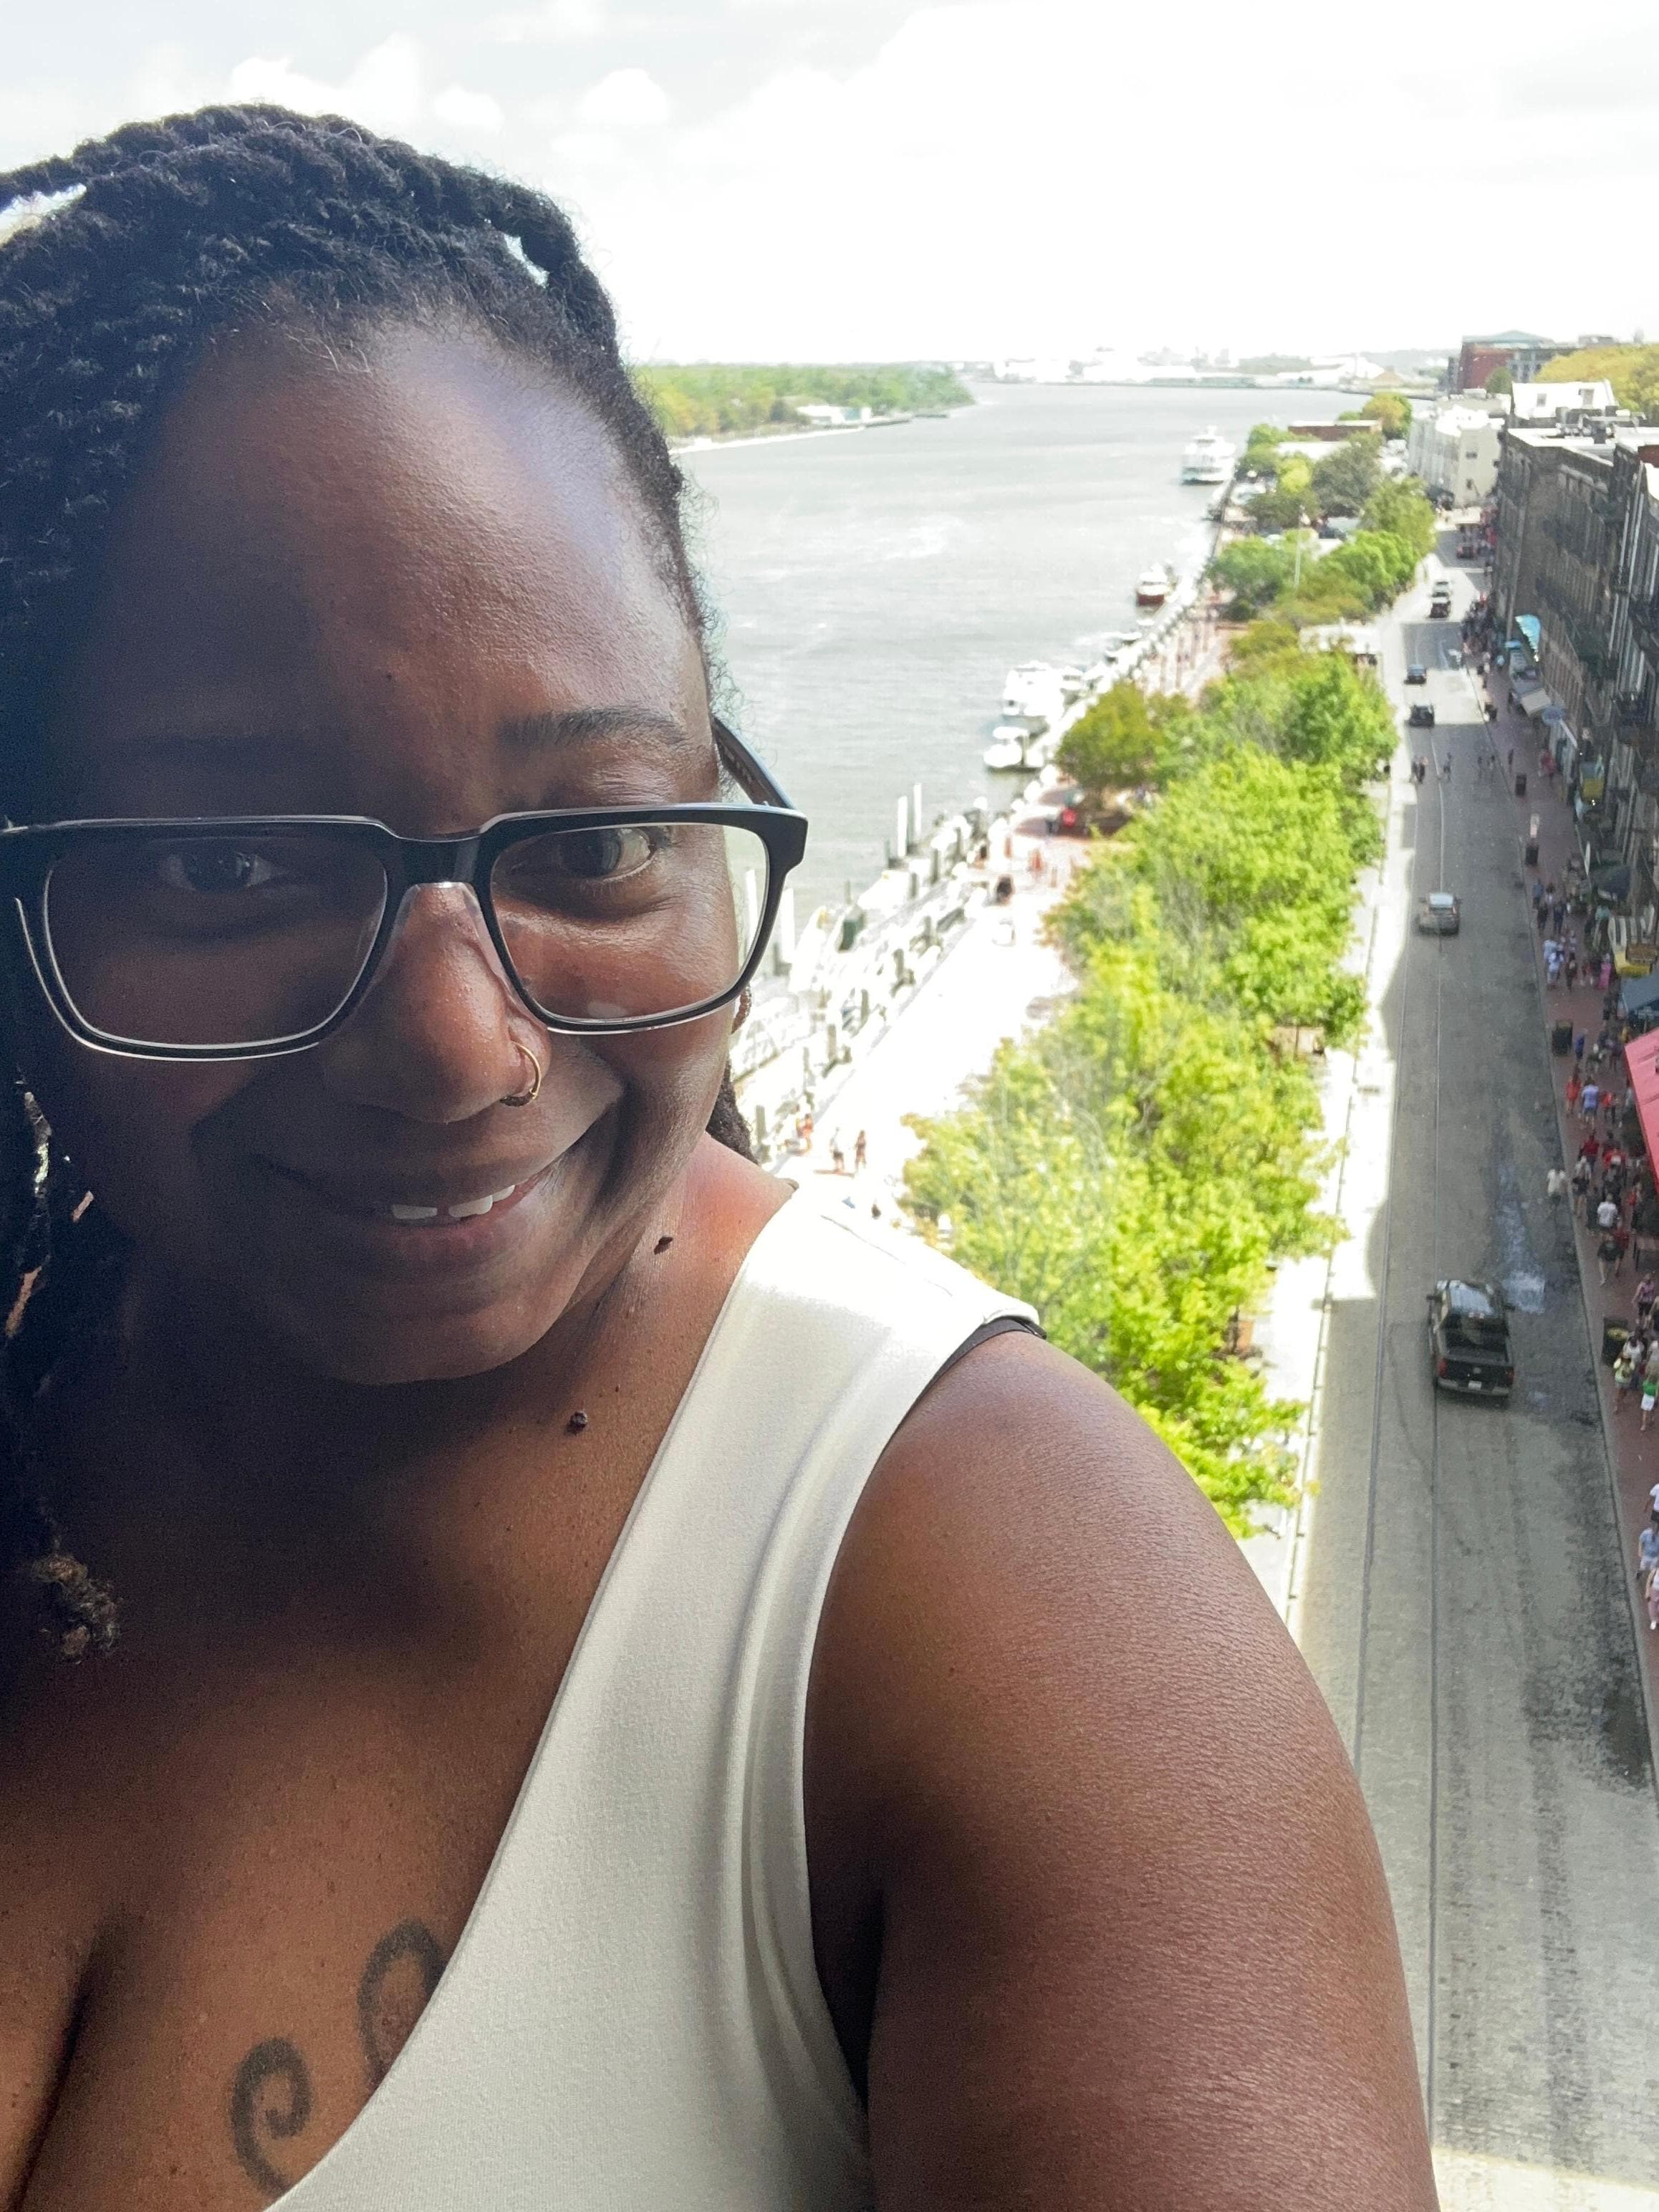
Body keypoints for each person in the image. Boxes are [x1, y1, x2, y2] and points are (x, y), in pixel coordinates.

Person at [0, 109, 1436, 2206]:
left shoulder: (1007, 1606)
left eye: (587, 846)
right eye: (228, 864)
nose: (451, 1046)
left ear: (717, 812)